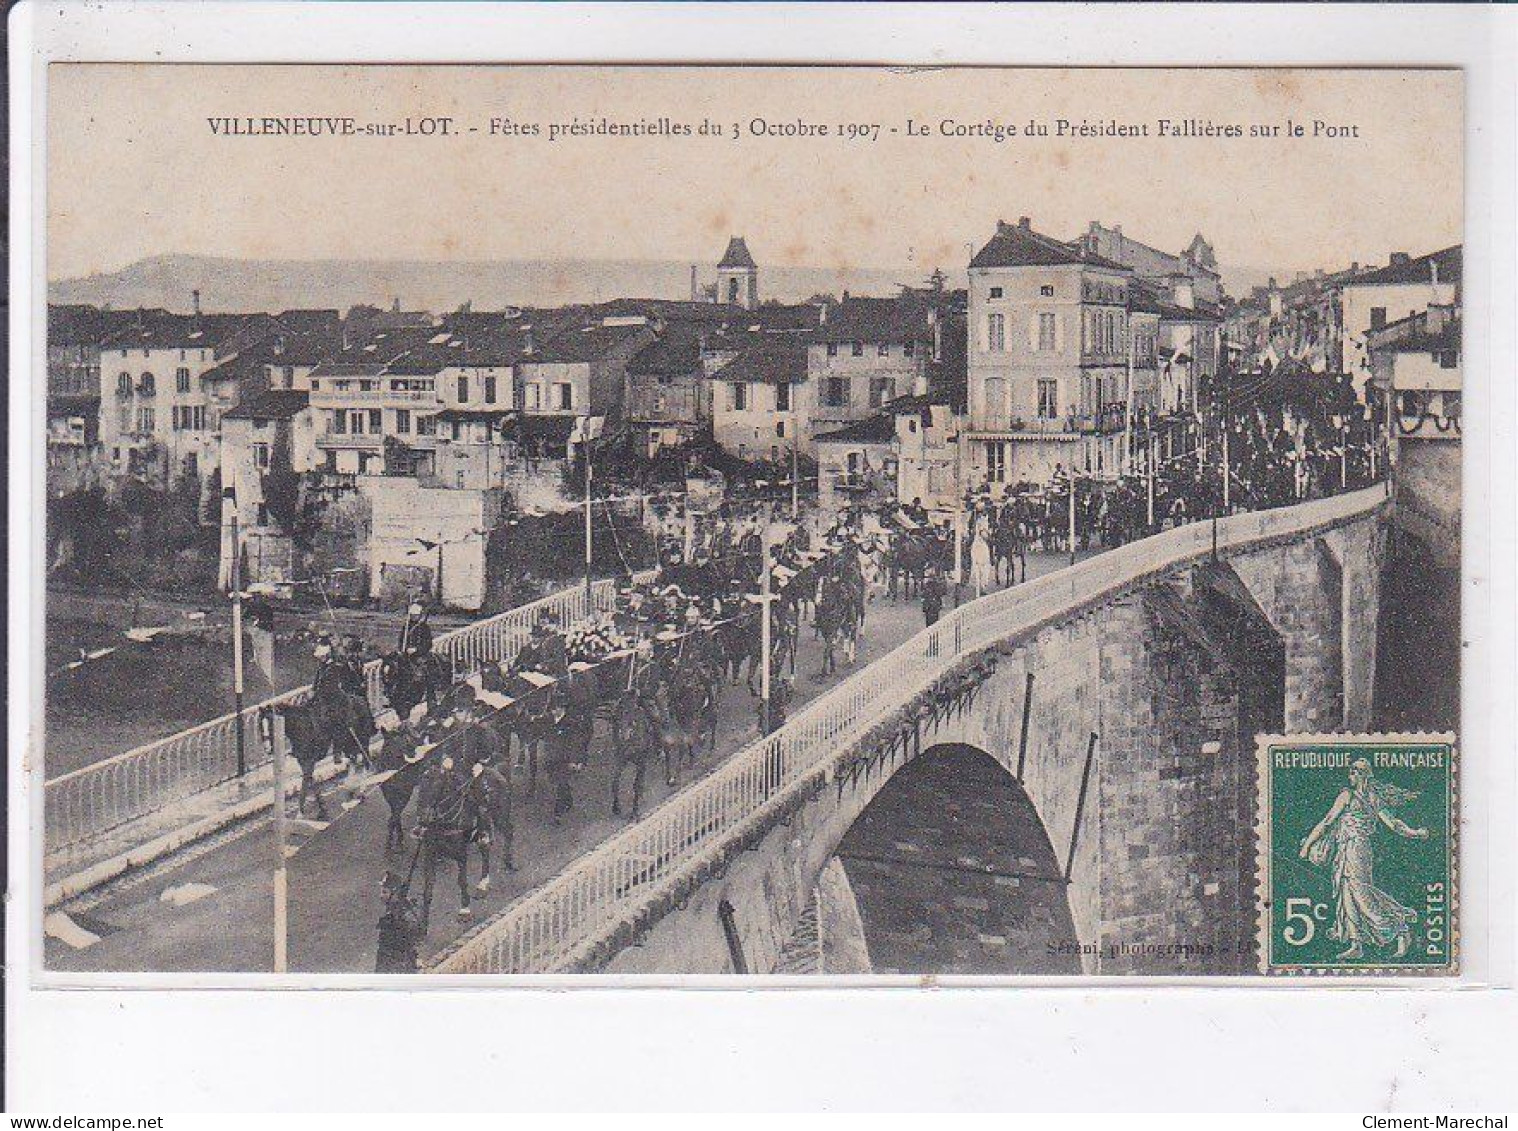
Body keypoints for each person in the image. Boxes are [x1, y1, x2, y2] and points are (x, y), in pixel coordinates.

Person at [1298, 758, 1430, 960]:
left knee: (1361, 893)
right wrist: (1415, 833)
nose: (1350, 776)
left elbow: (1392, 824)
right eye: (1350, 772)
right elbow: (1329, 822)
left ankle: (1399, 929)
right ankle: (1356, 943)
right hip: (1347, 848)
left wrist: (1415, 833)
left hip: (1357, 848)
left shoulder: (1353, 796)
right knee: (1347, 892)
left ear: (1362, 774)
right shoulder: (1359, 796)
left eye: (1353, 772)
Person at [375, 870, 423, 974]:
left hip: (397, 965)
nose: (381, 895)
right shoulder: (397, 909)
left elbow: (408, 939)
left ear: (395, 893)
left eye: (385, 892)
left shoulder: (400, 914)